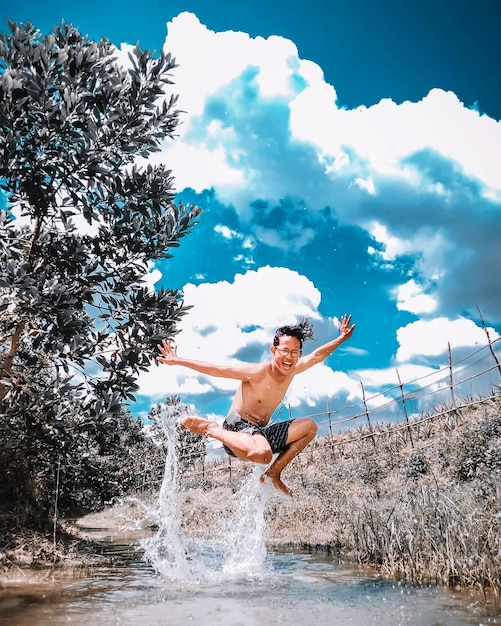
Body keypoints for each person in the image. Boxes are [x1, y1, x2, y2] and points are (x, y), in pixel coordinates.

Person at [157, 314, 355, 496]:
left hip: (259, 432)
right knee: (263, 453)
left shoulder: (293, 370)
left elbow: (316, 356)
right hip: (236, 429)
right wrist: (178, 360)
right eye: (284, 350)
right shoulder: (257, 372)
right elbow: (217, 370)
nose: (289, 357)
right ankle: (212, 429)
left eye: (295, 352)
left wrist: (341, 338)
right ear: (273, 350)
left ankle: (273, 474)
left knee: (309, 427)